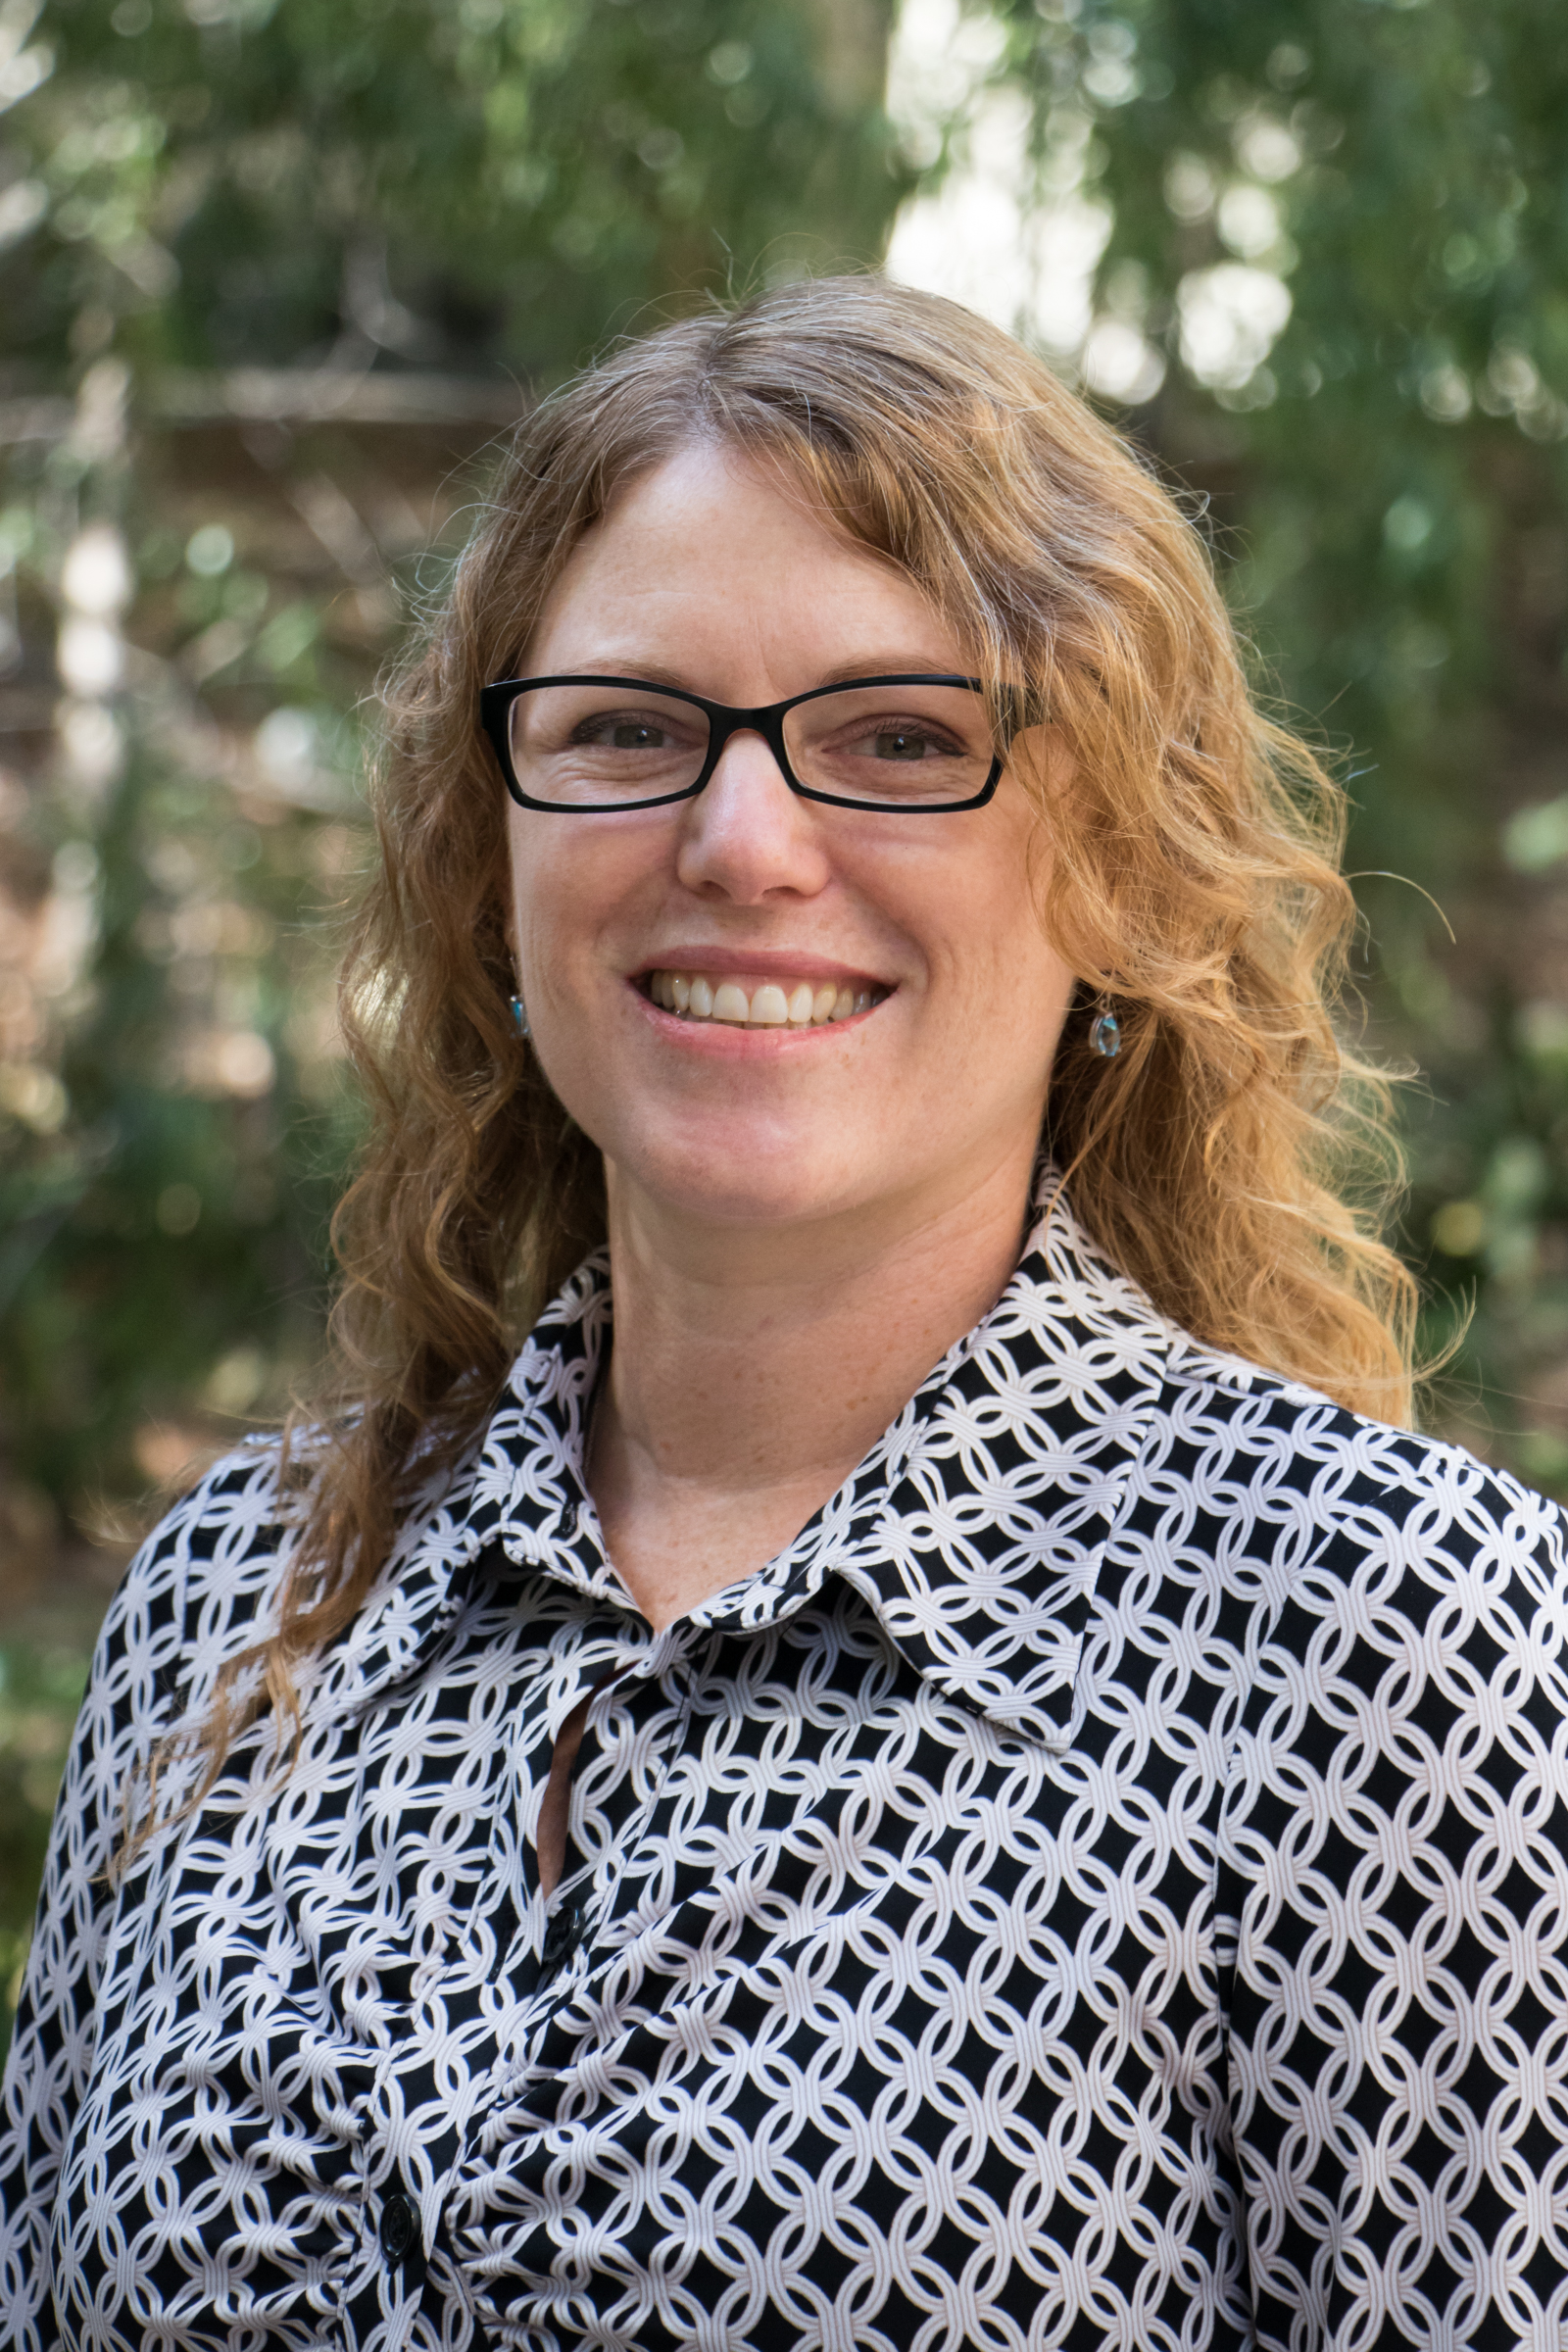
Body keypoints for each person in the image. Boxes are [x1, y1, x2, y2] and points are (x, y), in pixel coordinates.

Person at [3, 275, 1565, 2352]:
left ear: (1109, 860)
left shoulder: (1387, 1649)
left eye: (899, 738)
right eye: (627, 731)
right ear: (492, 864)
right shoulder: (239, 1601)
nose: (742, 843)